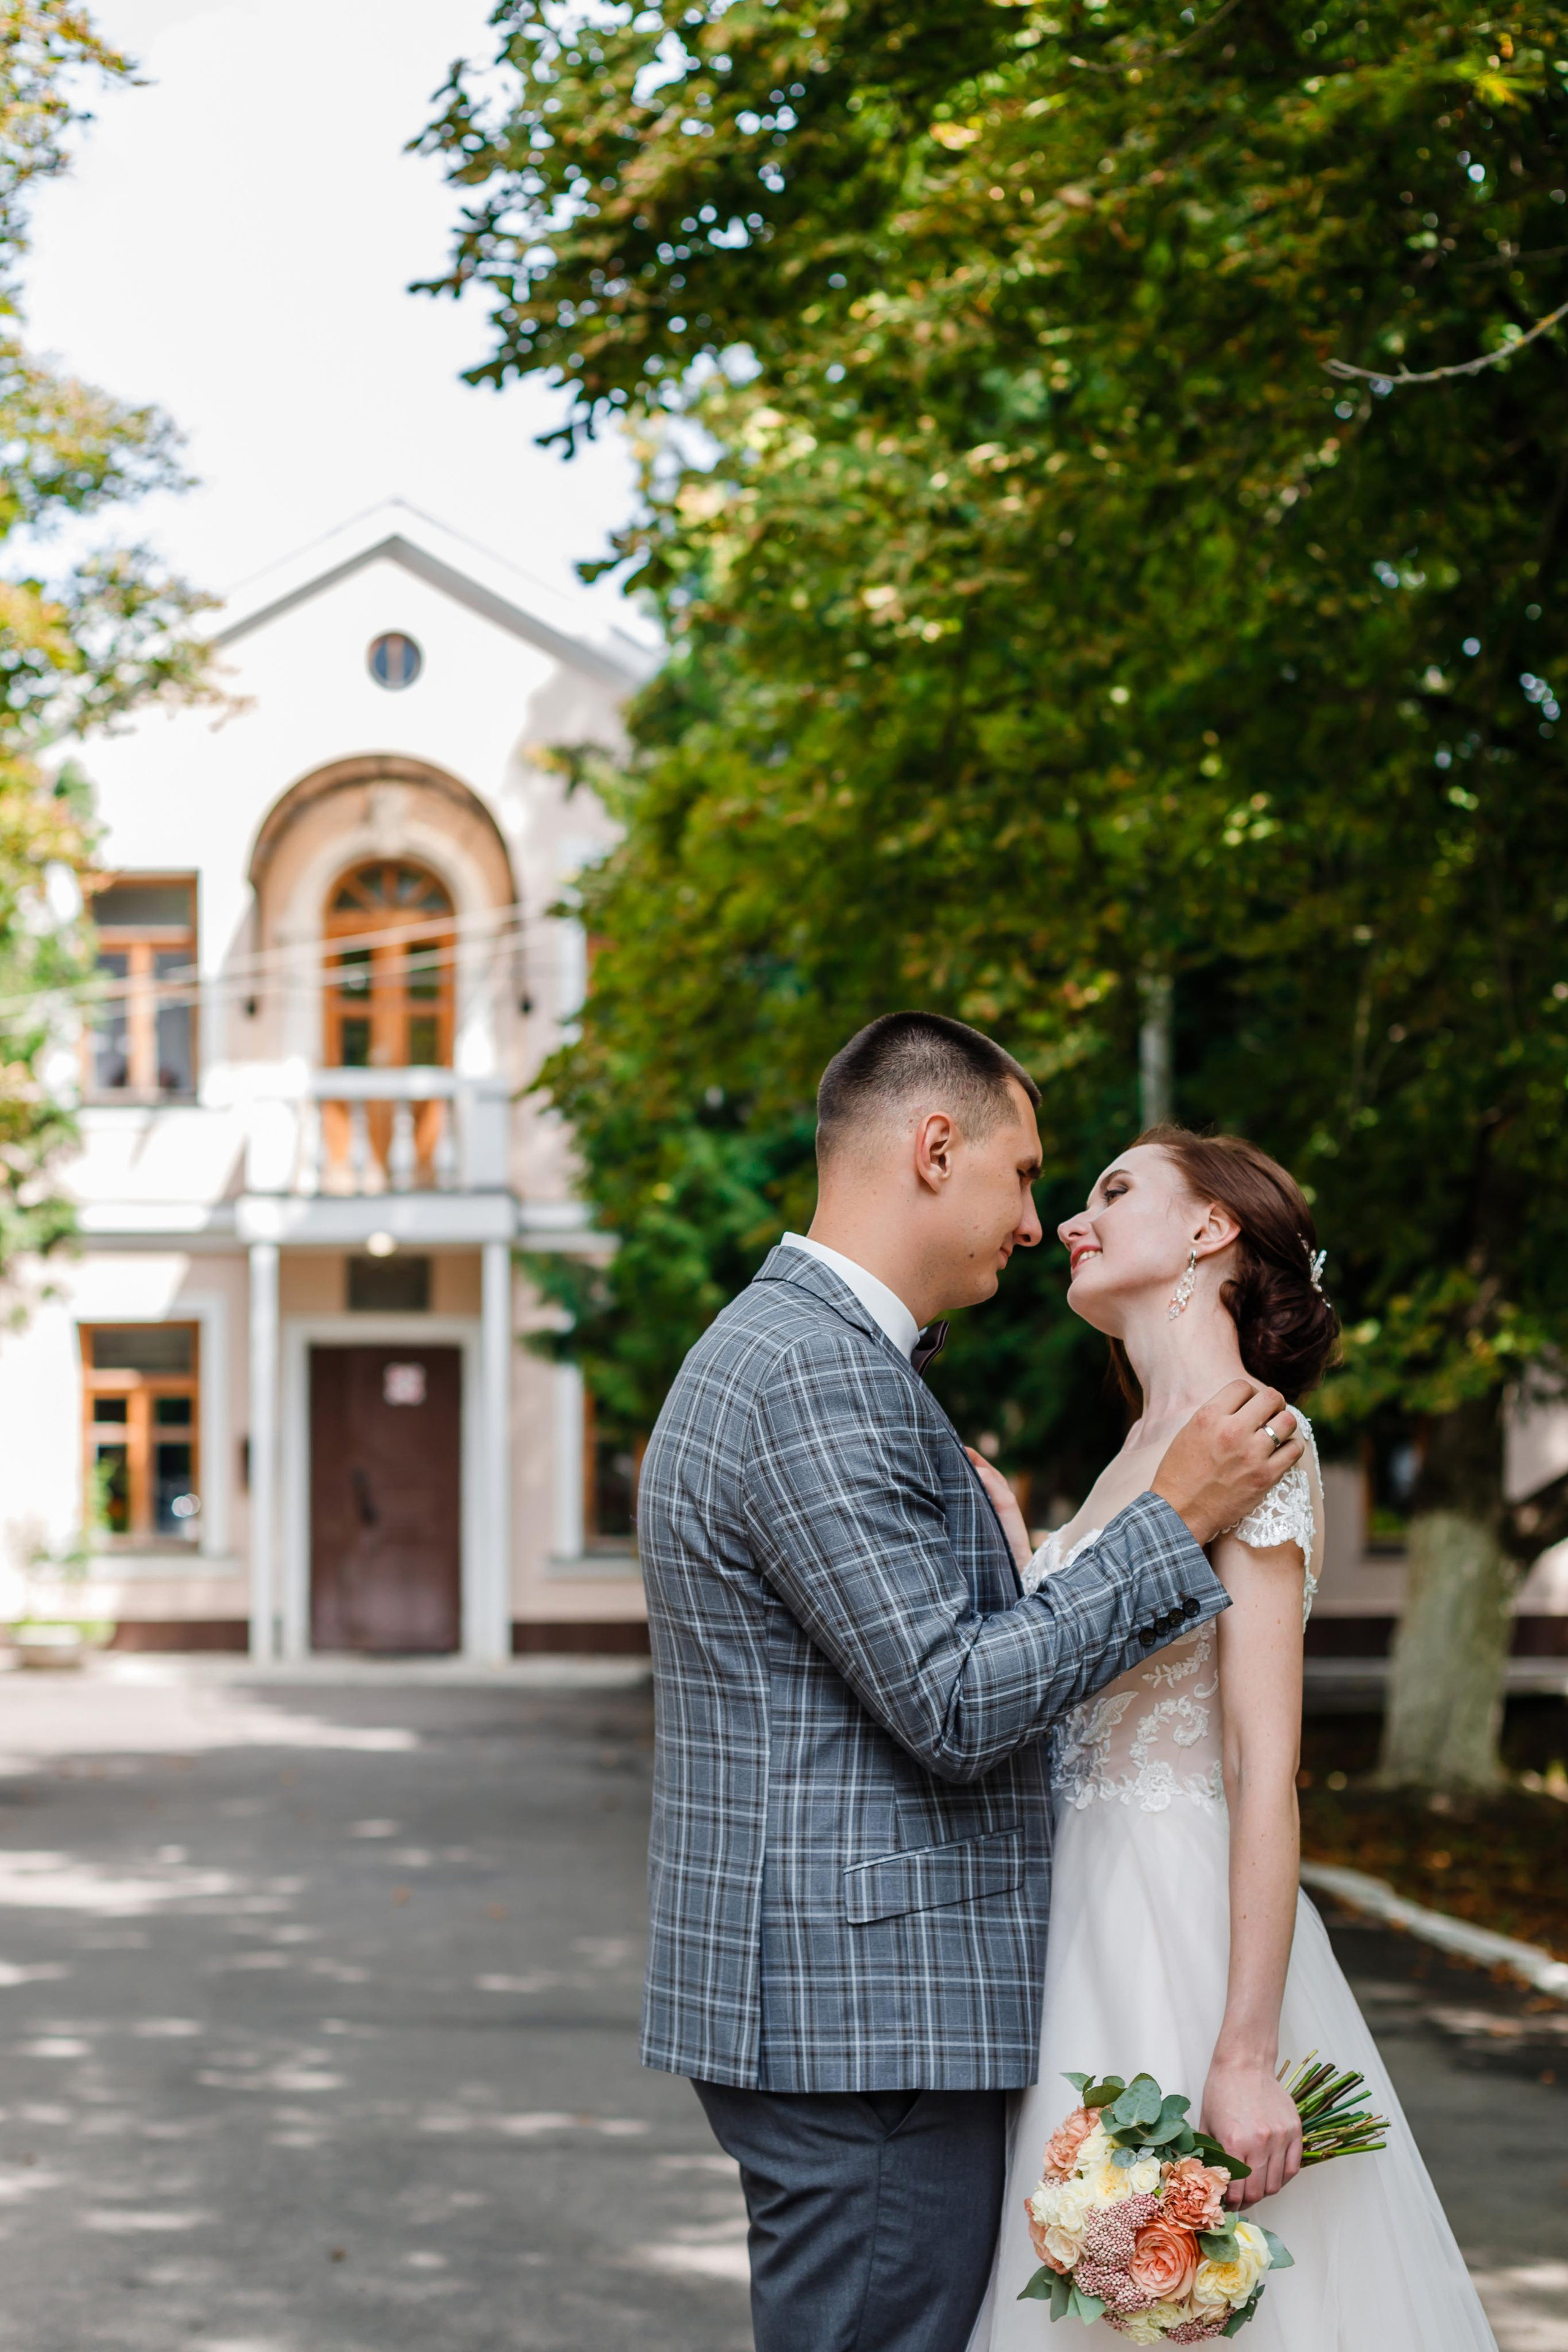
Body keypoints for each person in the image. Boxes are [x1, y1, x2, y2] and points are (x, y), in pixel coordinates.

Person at [637, 1014, 1305, 2352]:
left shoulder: (818, 1360)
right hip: (863, 2027)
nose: (1035, 1219)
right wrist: (1163, 1527)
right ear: (933, 1149)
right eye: (1022, 1175)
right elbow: (948, 1704)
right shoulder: (817, 1375)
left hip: (895, 2001)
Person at [963, 1128, 1496, 2352]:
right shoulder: (1127, 1458)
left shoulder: (1255, 1438)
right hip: (1068, 1915)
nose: (1067, 1224)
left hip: (1181, 1921)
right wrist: (1018, 1563)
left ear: (1208, 1233)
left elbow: (1265, 1764)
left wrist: (1246, 2053)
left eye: (1110, 1193)